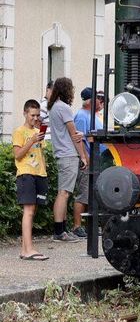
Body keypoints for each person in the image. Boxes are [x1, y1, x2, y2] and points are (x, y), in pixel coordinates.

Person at [45, 77, 88, 242]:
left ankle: (61, 229)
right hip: (68, 154)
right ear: (67, 90)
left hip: (61, 154)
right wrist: (83, 156)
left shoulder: (53, 107)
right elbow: (74, 135)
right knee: (64, 193)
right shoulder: (64, 108)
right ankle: (59, 232)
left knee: (62, 192)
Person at [13, 99, 49, 260]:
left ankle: (24, 249)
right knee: (28, 211)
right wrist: (31, 141)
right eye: (32, 115)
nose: (35, 118)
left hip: (38, 173)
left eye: (37, 115)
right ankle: (28, 249)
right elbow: (18, 155)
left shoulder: (37, 132)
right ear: (25, 113)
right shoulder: (19, 132)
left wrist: (38, 139)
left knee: (32, 211)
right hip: (26, 173)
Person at [73, 88, 106, 231]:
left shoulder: (94, 116)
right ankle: (77, 226)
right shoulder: (81, 116)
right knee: (84, 194)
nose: (101, 102)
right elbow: (80, 140)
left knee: (92, 194)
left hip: (97, 160)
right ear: (90, 101)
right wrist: (86, 159)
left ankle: (89, 226)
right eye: (99, 98)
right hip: (88, 160)